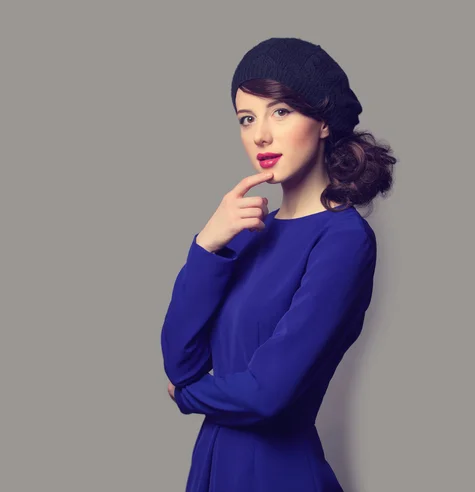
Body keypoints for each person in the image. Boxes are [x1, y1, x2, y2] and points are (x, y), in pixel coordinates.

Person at [160, 37, 397, 491]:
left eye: (280, 111)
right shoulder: (248, 233)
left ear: (324, 121)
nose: (260, 135)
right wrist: (208, 245)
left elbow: (269, 393)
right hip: (212, 470)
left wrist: (187, 396)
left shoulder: (343, 240)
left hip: (275, 474)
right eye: (247, 119)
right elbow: (180, 360)